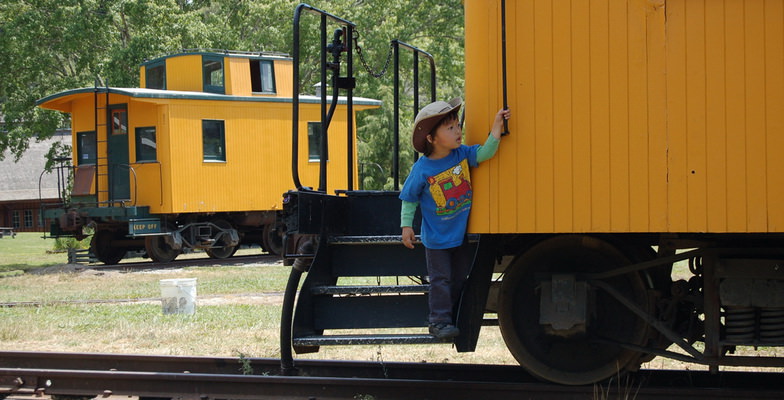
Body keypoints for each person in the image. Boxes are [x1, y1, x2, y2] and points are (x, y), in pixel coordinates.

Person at [399, 98, 511, 339]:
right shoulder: (422, 169)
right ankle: (438, 321)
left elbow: (485, 152)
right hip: (436, 239)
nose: (458, 131)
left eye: (457, 126)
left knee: (459, 277)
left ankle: (454, 314)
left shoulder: (461, 154)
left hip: (459, 235)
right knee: (440, 280)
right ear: (432, 138)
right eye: (450, 128)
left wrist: (496, 126)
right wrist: (406, 226)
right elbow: (409, 198)